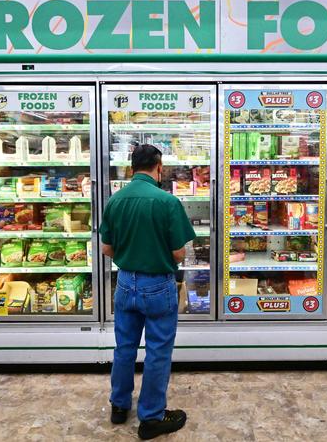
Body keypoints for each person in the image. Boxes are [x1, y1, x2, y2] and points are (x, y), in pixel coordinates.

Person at [99, 144, 196, 440]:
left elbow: (106, 249)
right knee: (157, 352)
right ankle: (152, 417)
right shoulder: (167, 202)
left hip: (126, 283)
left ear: (131, 169)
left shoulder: (115, 200)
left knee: (124, 348)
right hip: (158, 285)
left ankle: (119, 406)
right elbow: (179, 253)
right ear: (159, 167)